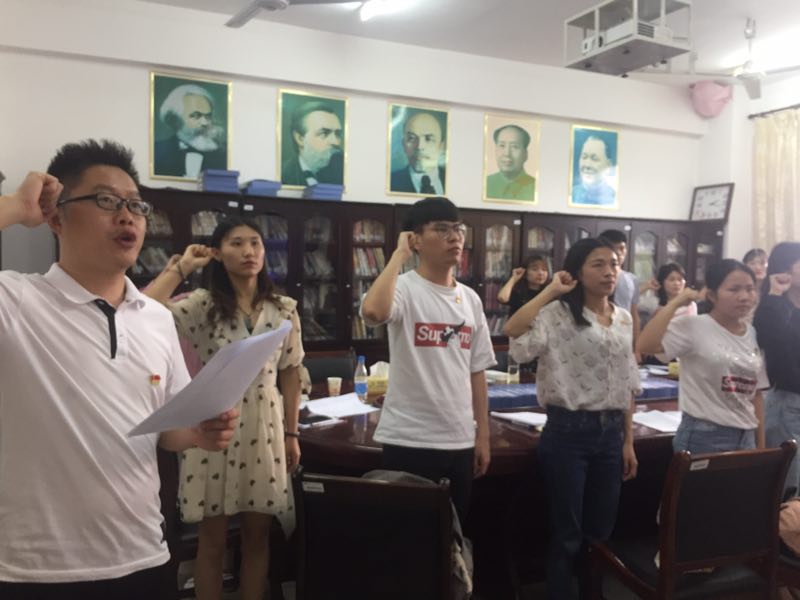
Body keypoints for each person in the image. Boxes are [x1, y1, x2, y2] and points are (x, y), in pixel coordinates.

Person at [0, 140, 237, 599]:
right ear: (56, 217)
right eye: (107, 201)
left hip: (144, 556)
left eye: (136, 205)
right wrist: (13, 206)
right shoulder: (16, 302)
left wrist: (198, 432)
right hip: (36, 571)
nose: (127, 216)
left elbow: (168, 430)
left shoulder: (157, 318)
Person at [144, 216, 304, 600]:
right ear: (217, 253)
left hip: (266, 428)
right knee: (212, 540)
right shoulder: (202, 305)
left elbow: (291, 372)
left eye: (255, 243)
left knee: (257, 537)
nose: (249, 251)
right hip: (214, 425)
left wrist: (292, 433)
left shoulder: (283, 308)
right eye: (236, 243)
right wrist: (183, 266)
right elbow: (142, 311)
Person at [504, 238, 639, 600]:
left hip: (611, 434)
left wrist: (627, 441)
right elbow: (513, 330)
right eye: (598, 264)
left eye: (614, 264)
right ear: (578, 271)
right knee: (568, 533)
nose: (609, 271)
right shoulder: (556, 314)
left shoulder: (624, 318)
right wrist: (551, 290)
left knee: (601, 533)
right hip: (568, 433)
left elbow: (626, 381)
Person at [360, 196, 495, 521]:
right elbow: (374, 312)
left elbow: (477, 371)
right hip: (409, 438)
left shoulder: (471, 299)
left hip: (459, 439)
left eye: (458, 229)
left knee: (453, 533)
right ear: (416, 240)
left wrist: (483, 436)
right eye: (442, 229)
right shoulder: (403, 288)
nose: (455, 237)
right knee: (407, 536)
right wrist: (398, 256)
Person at [638, 259, 767, 454]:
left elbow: (755, 393)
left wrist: (761, 447)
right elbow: (645, 345)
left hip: (746, 435)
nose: (744, 296)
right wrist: (676, 303)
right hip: (705, 435)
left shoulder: (752, 333)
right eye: (734, 289)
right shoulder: (694, 326)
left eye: (750, 289)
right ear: (712, 295)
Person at [754, 242, 800, 497]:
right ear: (785, 268)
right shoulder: (773, 308)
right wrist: (774, 293)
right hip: (787, 402)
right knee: (788, 488)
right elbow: (777, 350)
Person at [154, 84, 227, 178]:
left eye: (208, 116)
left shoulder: (224, 154)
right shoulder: (158, 151)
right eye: (196, 116)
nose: (205, 123)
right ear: (176, 119)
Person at [598, 229, 641, 357]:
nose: (620, 252)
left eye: (623, 248)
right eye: (615, 248)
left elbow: (634, 314)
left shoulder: (632, 279)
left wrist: (637, 347)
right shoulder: (596, 277)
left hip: (623, 335)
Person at [281, 100, 344, 187]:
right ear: (300, 139)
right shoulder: (283, 173)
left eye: (337, 134)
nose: (335, 142)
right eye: (324, 133)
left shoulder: (341, 174)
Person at [390, 110, 447, 195]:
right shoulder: (392, 182)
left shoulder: (454, 181)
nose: (419, 146)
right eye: (411, 138)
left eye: (428, 138)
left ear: (441, 146)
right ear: (404, 145)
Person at [485, 124, 536, 201]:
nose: (507, 153)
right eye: (502, 146)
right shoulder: (486, 183)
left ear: (525, 154)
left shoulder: (536, 187)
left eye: (514, 146)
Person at [571, 134, 616, 206]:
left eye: (594, 159)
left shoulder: (614, 198)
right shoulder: (571, 194)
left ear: (608, 165)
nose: (587, 165)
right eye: (584, 157)